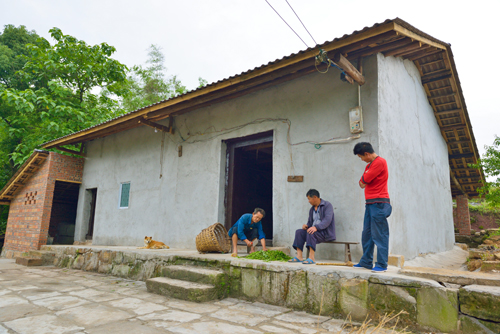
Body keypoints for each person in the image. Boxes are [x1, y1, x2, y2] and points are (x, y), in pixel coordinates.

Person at [353, 142, 392, 273]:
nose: (362, 160)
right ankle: (366, 261)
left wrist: (364, 180)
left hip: (379, 203)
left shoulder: (379, 162)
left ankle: (381, 264)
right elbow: (361, 183)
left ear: (367, 154)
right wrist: (364, 180)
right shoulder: (369, 165)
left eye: (361, 157)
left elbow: (363, 181)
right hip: (370, 203)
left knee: (379, 234)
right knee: (367, 234)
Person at [289, 189, 335, 264]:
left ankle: (311, 258)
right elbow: (310, 223)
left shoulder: (327, 205)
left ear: (315, 197)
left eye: (309, 199)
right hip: (314, 231)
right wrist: (306, 226)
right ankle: (299, 256)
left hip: (324, 233)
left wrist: (316, 227)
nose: (308, 201)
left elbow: (327, 220)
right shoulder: (312, 209)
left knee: (311, 232)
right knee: (299, 232)